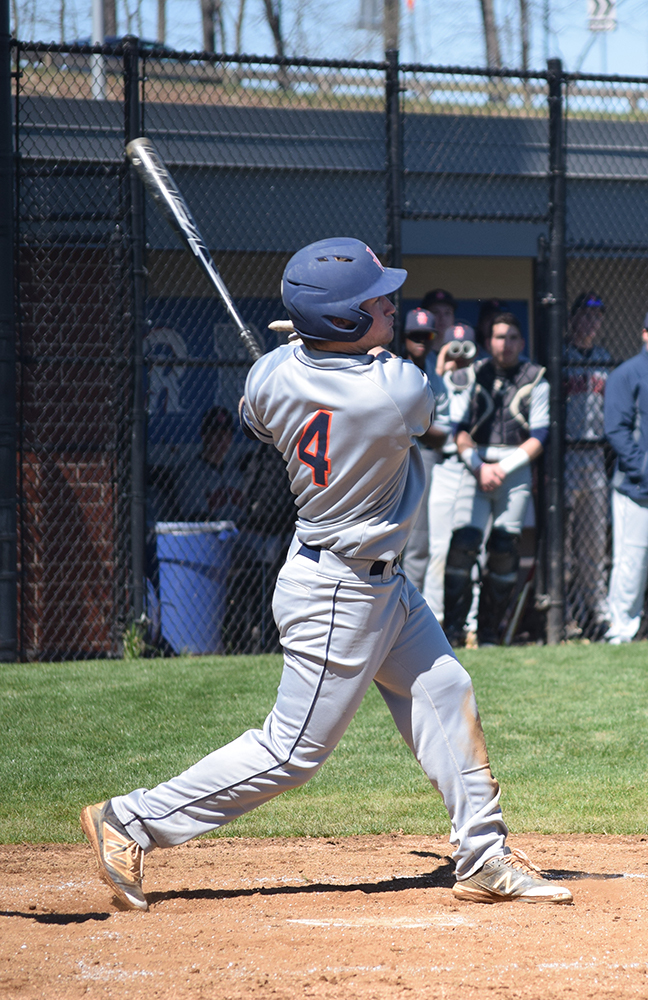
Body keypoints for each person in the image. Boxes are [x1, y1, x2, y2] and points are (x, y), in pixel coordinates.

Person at [80, 238, 572, 911]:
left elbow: (266, 410)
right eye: (374, 300)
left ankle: (482, 855)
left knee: (444, 688)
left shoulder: (270, 378)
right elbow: (404, 401)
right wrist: (309, 351)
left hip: (377, 583)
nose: (390, 303)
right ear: (341, 322)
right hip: (340, 592)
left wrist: (298, 353)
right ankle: (129, 820)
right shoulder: (396, 390)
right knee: (291, 754)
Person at [443, 313, 549, 647]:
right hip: (476, 465)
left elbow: (540, 435)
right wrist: (479, 466)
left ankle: (490, 632)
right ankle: (454, 630)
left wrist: (502, 468)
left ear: (522, 341)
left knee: (504, 549)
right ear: (489, 341)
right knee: (463, 545)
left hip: (513, 468)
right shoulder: (471, 374)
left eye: (513, 337)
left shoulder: (537, 378)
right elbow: (458, 430)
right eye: (500, 337)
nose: (507, 344)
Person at [604, 307, 648, 644]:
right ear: (644, 334)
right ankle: (622, 631)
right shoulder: (627, 373)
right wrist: (643, 471)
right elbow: (616, 430)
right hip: (637, 489)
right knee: (631, 562)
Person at [422, 323, 478, 624]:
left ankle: (470, 622)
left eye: (465, 348)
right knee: (437, 548)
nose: (460, 356)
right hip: (444, 465)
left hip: (472, 467)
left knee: (471, 548)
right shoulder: (434, 375)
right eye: (453, 348)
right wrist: (441, 368)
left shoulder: (480, 377)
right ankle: (435, 619)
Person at [563, 293, 612, 636]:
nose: (591, 322)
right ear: (573, 319)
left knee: (594, 543)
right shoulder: (559, 356)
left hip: (596, 457)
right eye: (585, 315)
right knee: (564, 547)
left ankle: (598, 615)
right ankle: (565, 616)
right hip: (564, 456)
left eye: (597, 316)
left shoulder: (605, 359)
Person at [400, 307, 447, 590]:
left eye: (427, 335)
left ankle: (409, 608)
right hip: (388, 457)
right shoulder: (387, 366)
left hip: (423, 458)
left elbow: (442, 434)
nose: (421, 340)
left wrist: (411, 424)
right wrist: (420, 426)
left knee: (418, 538)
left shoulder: (436, 378)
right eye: (415, 335)